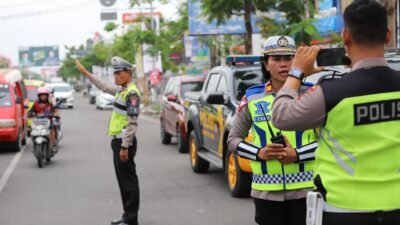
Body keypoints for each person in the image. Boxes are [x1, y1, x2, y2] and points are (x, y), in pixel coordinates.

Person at [272, 1, 400, 225]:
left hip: (343, 211)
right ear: (388, 35)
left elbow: (281, 116)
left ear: (346, 37)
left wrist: (296, 72)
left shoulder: (329, 94)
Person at [227, 35, 319, 225]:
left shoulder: (314, 94)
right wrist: (259, 153)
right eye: (276, 59)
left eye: (288, 58)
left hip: (308, 190)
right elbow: (233, 140)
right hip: (266, 193)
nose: (283, 65)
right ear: (266, 64)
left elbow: (329, 142)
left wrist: (298, 154)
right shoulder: (252, 97)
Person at [75, 56, 141, 225]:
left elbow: (132, 123)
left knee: (128, 181)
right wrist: (85, 73)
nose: (116, 77)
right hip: (117, 142)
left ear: (128, 73)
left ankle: (131, 219)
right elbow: (103, 86)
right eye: (115, 74)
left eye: (119, 73)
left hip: (124, 142)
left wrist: (125, 146)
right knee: (123, 181)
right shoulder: (121, 90)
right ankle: (127, 216)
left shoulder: (132, 94)